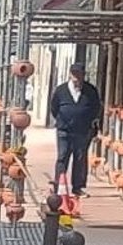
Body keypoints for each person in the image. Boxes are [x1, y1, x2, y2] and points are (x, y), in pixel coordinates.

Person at [49, 62, 102, 198]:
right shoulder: (61, 90)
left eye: (79, 74)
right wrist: (62, 120)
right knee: (62, 157)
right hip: (64, 130)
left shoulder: (90, 90)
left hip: (82, 131)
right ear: (70, 74)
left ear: (84, 75)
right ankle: (59, 185)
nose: (77, 77)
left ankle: (77, 188)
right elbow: (54, 108)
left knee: (80, 158)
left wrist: (90, 122)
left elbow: (96, 108)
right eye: (74, 74)